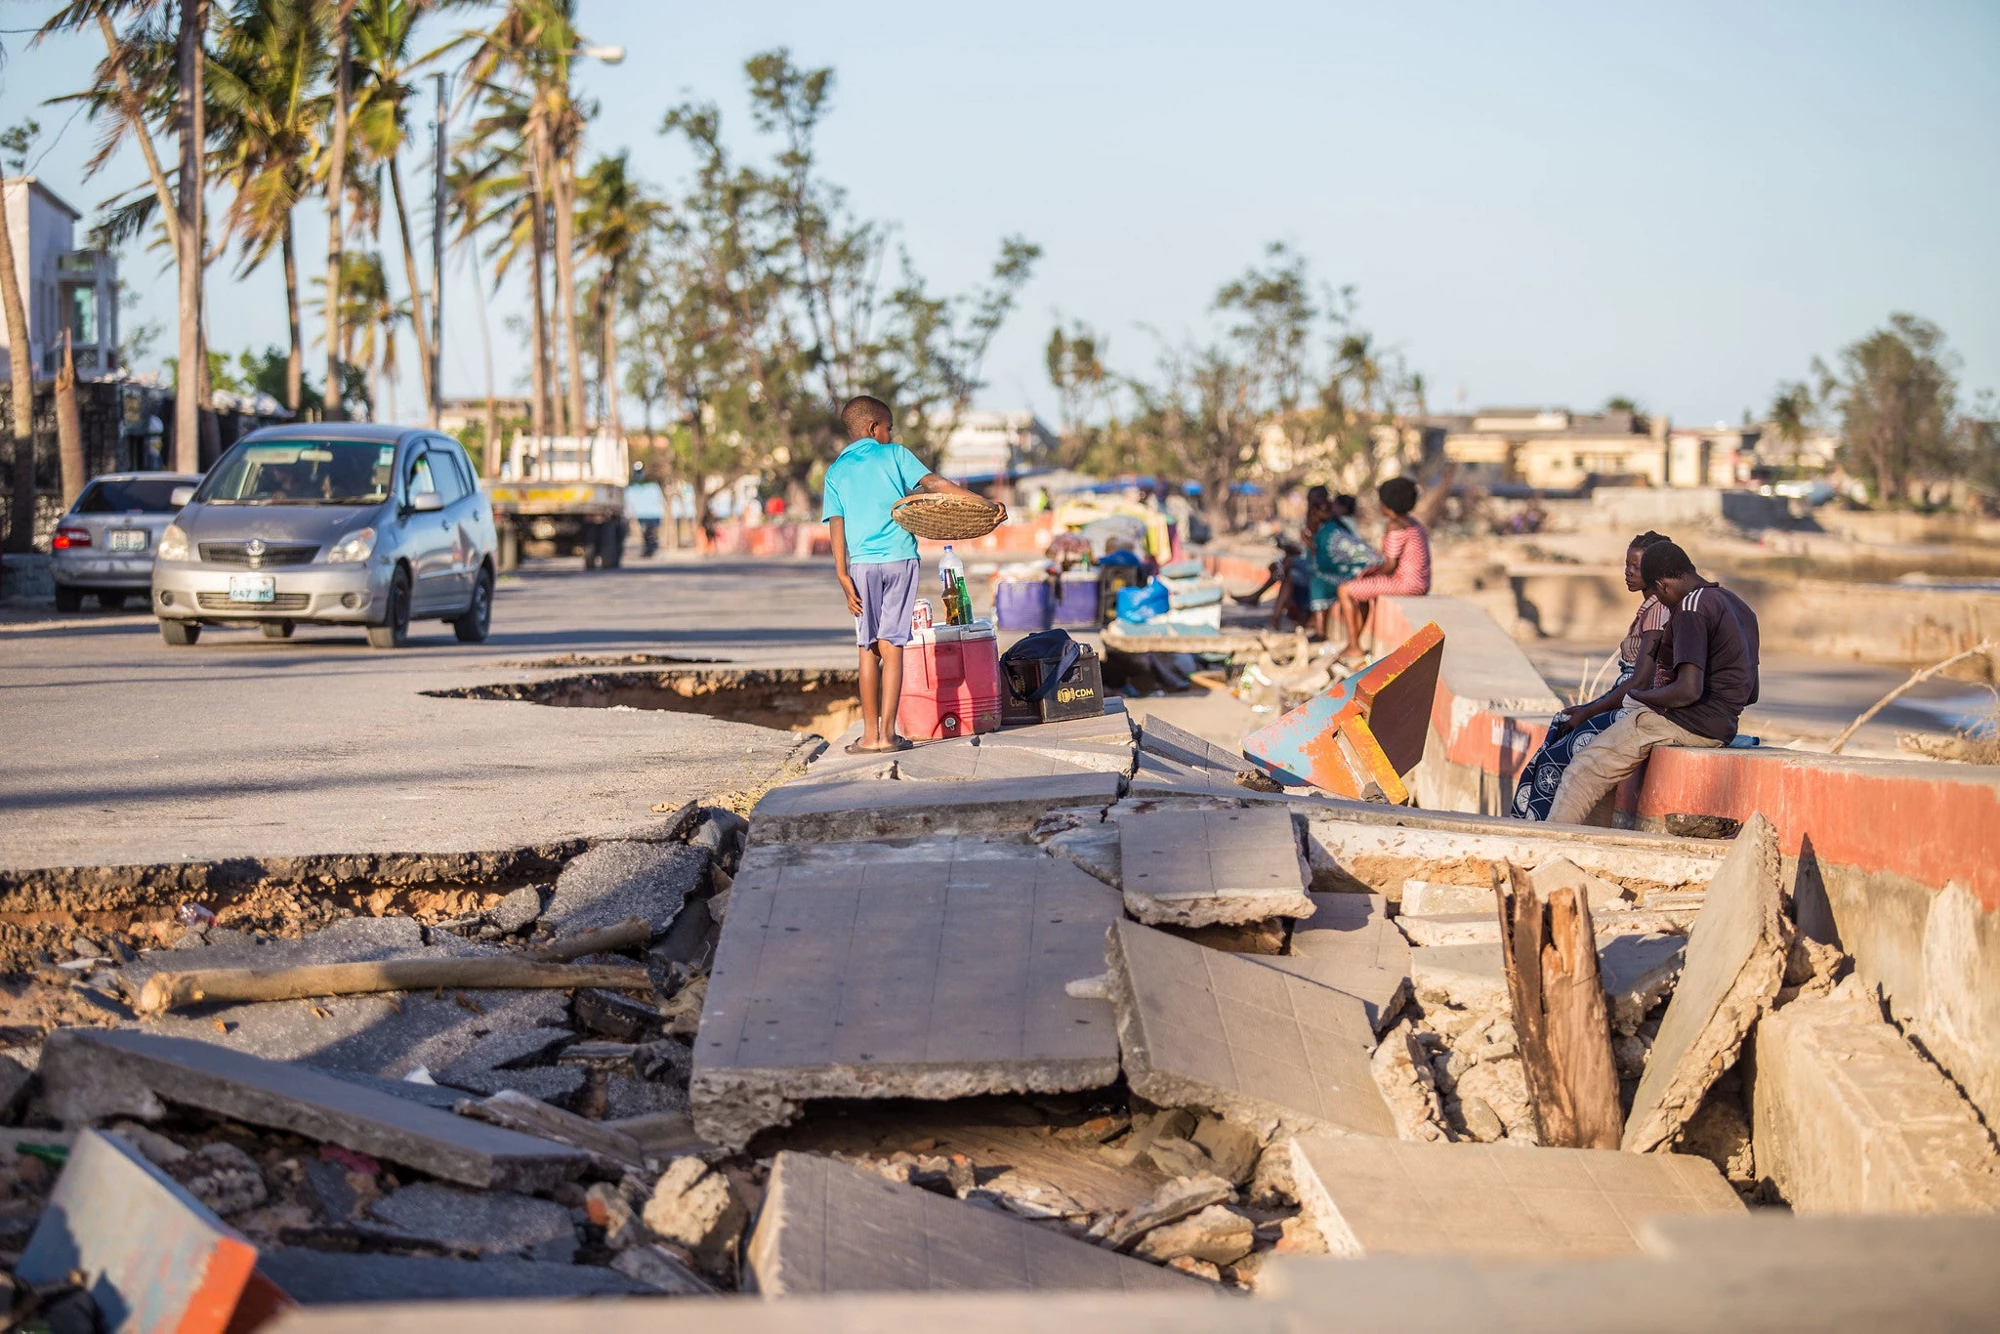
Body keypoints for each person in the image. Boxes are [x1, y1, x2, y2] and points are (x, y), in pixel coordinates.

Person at [823, 394, 1001, 755]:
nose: (890, 435)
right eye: (888, 428)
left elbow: (836, 525)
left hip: (861, 565)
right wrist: (982, 504)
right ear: (874, 428)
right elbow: (935, 484)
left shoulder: (836, 471)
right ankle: (889, 736)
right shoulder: (895, 455)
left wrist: (842, 574)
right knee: (893, 646)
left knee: (867, 647)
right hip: (901, 559)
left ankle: (870, 737)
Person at [1544, 541, 1760, 826]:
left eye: (1658, 594)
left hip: (1687, 722)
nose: (1662, 602)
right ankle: (1588, 848)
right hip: (1723, 727)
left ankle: (1553, 846)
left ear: (1662, 585)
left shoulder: (1691, 607)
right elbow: (1752, 693)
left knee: (1583, 770)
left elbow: (1688, 690)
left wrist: (1643, 696)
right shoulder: (1738, 605)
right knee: (1605, 779)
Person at [1510, 531, 1675, 821]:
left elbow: (1639, 682)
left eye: (1636, 567)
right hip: (1627, 694)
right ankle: (1526, 822)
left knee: (1556, 758)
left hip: (1635, 703)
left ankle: (1539, 830)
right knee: (1559, 730)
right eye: (1627, 564)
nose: (1628, 572)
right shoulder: (1648, 608)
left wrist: (1589, 710)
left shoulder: (1659, 611)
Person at [1333, 476, 1431, 666]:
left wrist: (1370, 574)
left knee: (1344, 590)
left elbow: (1390, 565)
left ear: (1388, 504)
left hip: (1406, 583)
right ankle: (1355, 641)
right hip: (1421, 582)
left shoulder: (1394, 525)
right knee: (1360, 591)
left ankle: (1354, 645)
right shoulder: (1414, 523)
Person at [1306, 493, 1375, 639]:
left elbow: (1356, 551)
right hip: (1338, 569)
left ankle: (1323, 632)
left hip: (1352, 570)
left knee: (1318, 583)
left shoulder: (1336, 529)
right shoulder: (1325, 529)